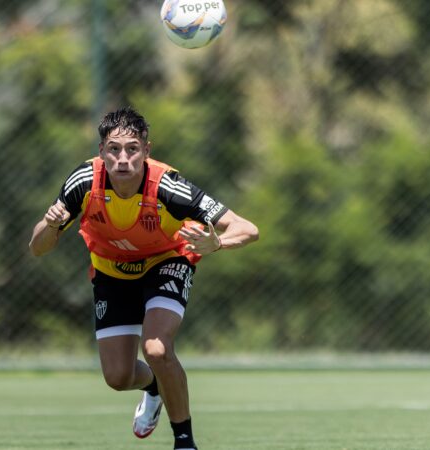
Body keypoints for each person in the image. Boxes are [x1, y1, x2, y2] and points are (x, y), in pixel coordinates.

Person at [29, 106, 259, 450]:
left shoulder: (169, 188)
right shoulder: (83, 183)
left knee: (156, 348)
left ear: (146, 151)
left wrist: (219, 243)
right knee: (118, 377)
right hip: (112, 270)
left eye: (132, 149)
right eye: (114, 149)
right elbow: (38, 248)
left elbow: (248, 229)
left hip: (166, 260)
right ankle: (154, 386)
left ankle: (185, 442)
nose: (123, 158)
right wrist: (50, 225)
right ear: (102, 152)